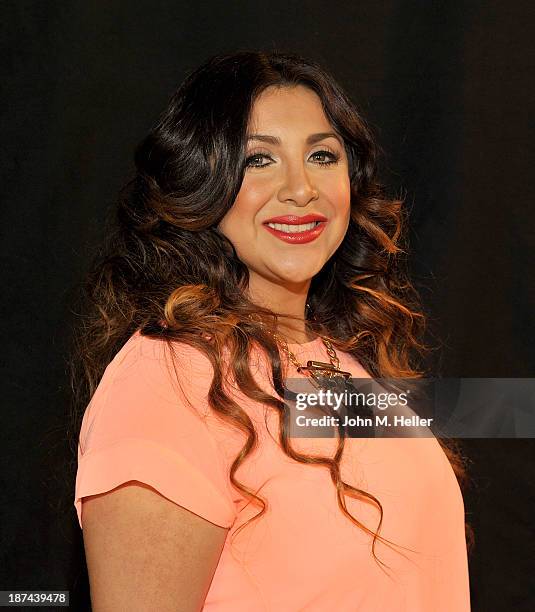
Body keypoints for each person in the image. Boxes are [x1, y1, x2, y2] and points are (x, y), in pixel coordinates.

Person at [70, 50, 472, 611]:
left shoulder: (343, 364)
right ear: (203, 183)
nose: (301, 188)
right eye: (259, 160)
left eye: (323, 156)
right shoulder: (167, 379)